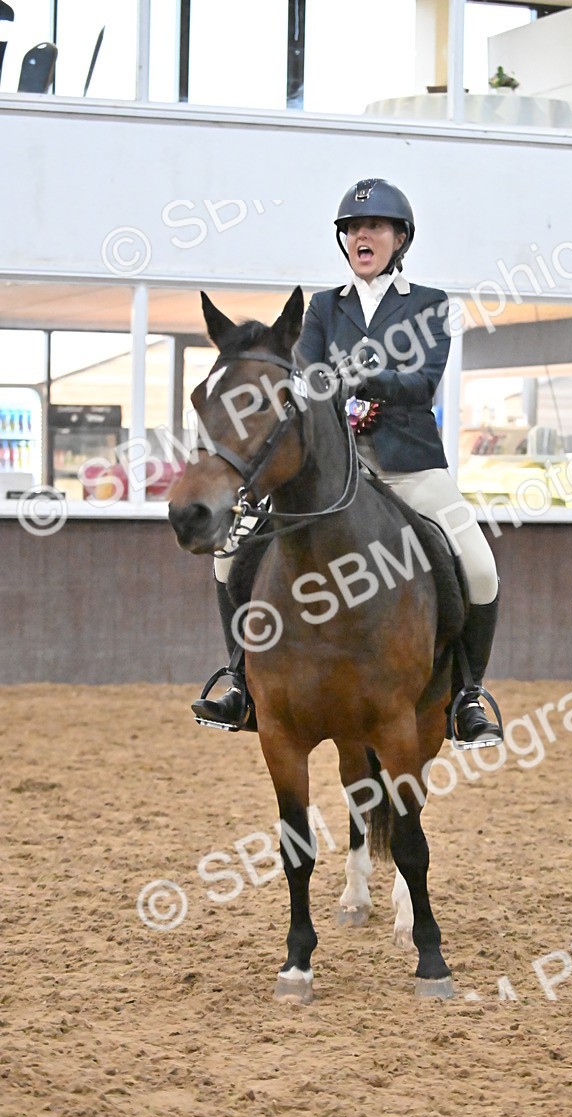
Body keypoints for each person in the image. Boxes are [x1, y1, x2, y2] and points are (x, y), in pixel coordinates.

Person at [192, 177, 502, 748]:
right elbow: (306, 380)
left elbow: (422, 384)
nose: (363, 235)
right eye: (354, 228)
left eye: (375, 227)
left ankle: (467, 696)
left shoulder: (430, 304)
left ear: (399, 239)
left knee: (480, 568)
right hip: (336, 472)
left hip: (410, 468)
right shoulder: (323, 308)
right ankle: (239, 681)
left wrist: (360, 377)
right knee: (228, 556)